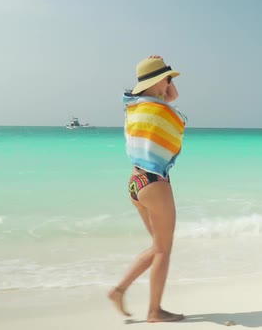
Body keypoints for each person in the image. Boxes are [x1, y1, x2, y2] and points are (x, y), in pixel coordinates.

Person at [108, 56, 186, 323]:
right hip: (155, 183)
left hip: (135, 183)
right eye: (166, 79)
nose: (169, 85)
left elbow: (169, 94)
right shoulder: (157, 108)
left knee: (157, 246)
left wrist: (165, 75)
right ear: (158, 82)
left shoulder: (136, 106)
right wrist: (165, 76)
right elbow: (171, 96)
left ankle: (118, 290)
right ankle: (155, 311)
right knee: (164, 249)